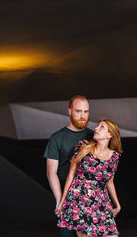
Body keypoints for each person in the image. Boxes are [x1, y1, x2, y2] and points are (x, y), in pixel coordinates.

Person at [56, 118, 122, 237]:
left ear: (110, 134)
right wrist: (62, 201)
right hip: (80, 197)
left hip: (101, 201)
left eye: (101, 127)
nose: (96, 129)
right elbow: (71, 174)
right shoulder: (83, 147)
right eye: (97, 126)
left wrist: (117, 204)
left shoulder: (114, 157)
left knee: (112, 235)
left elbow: (110, 182)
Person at [44, 95, 95, 237]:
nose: (83, 116)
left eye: (86, 112)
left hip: (89, 196)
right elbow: (51, 172)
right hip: (66, 195)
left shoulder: (94, 137)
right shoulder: (57, 138)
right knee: (67, 234)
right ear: (69, 111)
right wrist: (60, 200)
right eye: (78, 111)